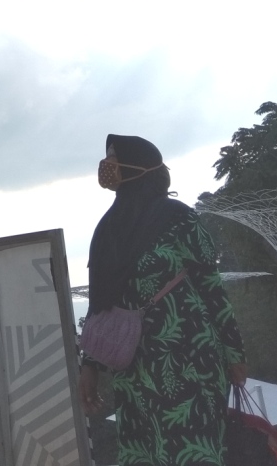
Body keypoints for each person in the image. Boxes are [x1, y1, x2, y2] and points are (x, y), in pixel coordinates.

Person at [80, 134, 247, 466]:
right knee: (145, 454)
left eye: (114, 156)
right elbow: (100, 303)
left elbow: (212, 290)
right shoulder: (107, 228)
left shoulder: (178, 218)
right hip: (133, 372)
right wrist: (90, 366)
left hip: (191, 364)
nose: (107, 164)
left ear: (140, 166)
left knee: (193, 451)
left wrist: (235, 355)